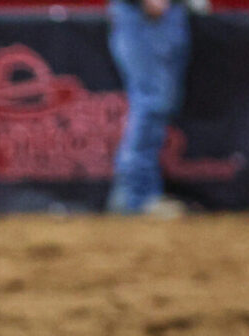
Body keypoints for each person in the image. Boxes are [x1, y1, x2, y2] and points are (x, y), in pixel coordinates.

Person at [106, 0, 190, 217]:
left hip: (169, 14)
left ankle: (138, 195)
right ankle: (136, 196)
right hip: (145, 15)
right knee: (151, 103)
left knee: (158, 104)